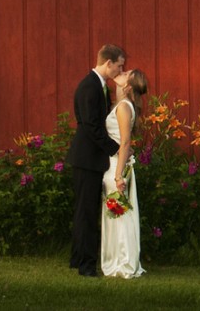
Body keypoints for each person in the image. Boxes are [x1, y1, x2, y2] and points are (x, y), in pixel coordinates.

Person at [68, 43, 126, 277]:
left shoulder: (99, 86)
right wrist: (116, 149)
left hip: (90, 158)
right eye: (119, 66)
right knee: (87, 213)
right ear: (108, 63)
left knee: (86, 211)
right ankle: (86, 266)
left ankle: (78, 259)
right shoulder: (90, 87)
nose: (120, 71)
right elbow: (91, 126)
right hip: (86, 159)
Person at [101, 68, 148, 278]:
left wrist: (119, 175)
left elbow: (125, 140)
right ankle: (117, 259)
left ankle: (123, 262)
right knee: (116, 213)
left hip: (116, 166)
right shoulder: (121, 105)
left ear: (127, 85)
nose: (121, 71)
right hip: (115, 163)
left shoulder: (123, 108)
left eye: (125, 72)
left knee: (119, 213)